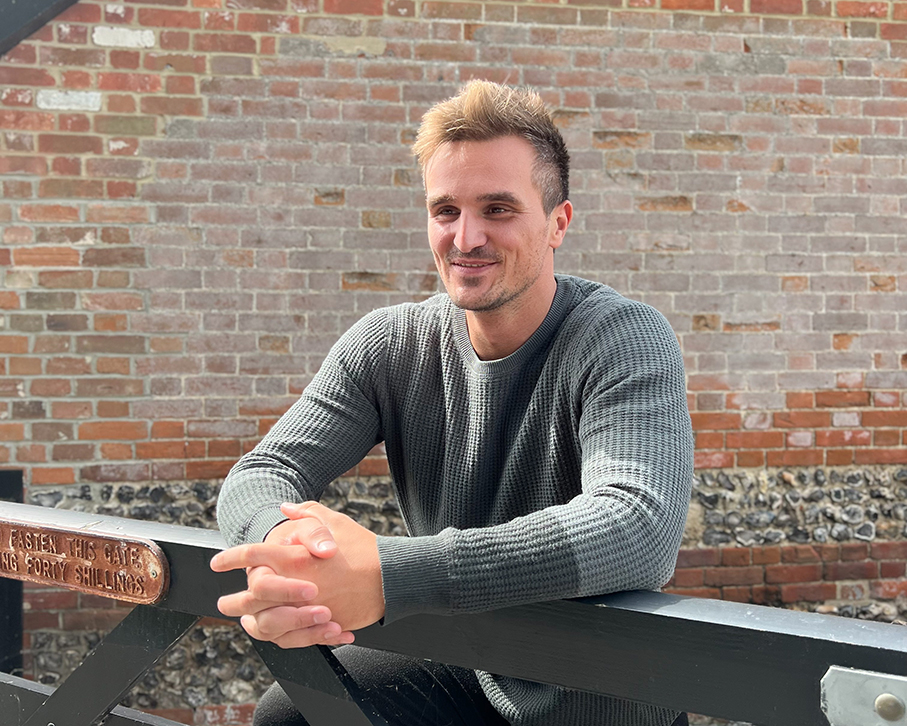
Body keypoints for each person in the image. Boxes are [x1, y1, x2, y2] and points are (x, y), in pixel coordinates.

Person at [211, 80, 694, 726]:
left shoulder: (622, 338)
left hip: (596, 697)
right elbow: (259, 474)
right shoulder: (390, 345)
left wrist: (389, 574)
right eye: (445, 211)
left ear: (557, 223)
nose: (465, 238)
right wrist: (294, 552)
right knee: (295, 715)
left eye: (497, 209)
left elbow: (634, 529)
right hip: (470, 664)